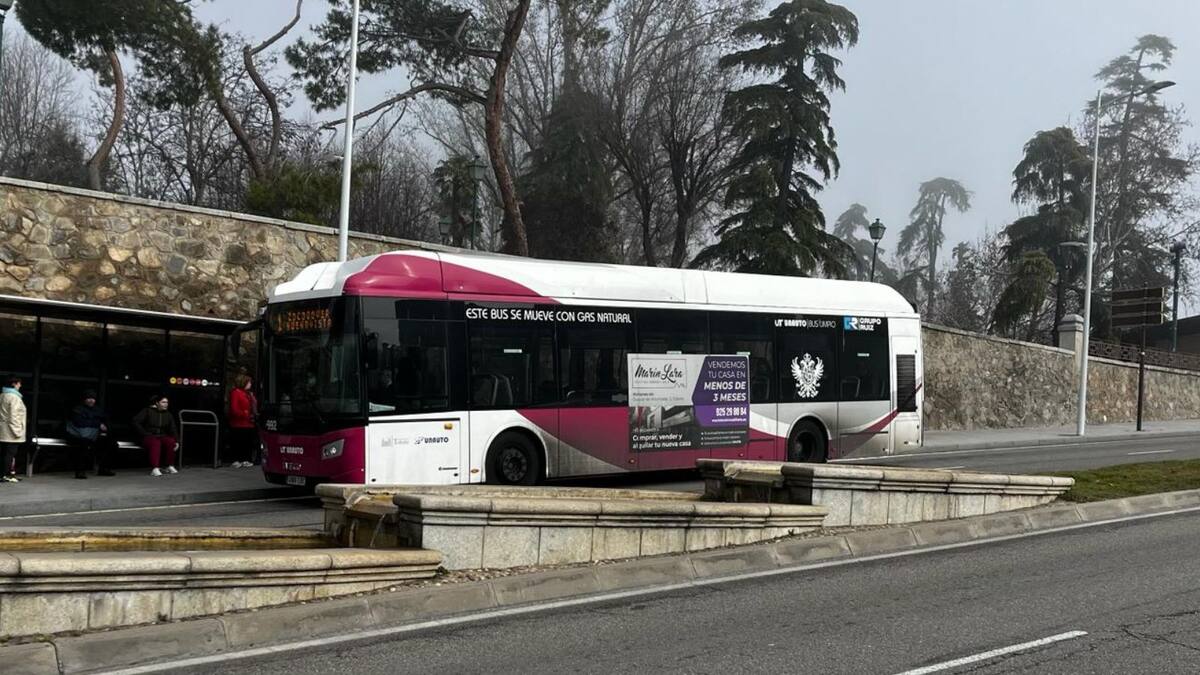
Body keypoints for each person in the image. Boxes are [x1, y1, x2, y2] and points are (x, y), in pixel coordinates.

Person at [65, 390, 117, 479]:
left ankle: (103, 469)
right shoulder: (78, 409)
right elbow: (79, 423)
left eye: (93, 398)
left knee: (111, 444)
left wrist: (105, 427)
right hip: (78, 436)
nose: (91, 400)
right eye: (89, 398)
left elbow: (105, 421)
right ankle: (80, 471)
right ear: (84, 399)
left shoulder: (98, 410)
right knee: (82, 446)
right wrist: (98, 424)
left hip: (94, 435)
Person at [133, 394, 179, 477]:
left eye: (167, 402)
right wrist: (144, 433)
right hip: (148, 437)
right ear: (157, 403)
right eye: (163, 402)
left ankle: (169, 466)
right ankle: (155, 468)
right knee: (156, 443)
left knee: (170, 441)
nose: (166, 404)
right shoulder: (147, 411)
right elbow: (136, 422)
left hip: (161, 436)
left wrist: (177, 441)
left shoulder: (168, 414)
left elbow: (173, 428)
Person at [0, 376, 26, 483]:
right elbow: (13, 416)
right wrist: (18, 431)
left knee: (3, 453)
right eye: (19, 383)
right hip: (11, 432)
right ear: (14, 384)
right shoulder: (14, 397)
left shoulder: (2, 395)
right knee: (10, 454)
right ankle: (7, 475)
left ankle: (3, 474)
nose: (20, 385)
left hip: (2, 430)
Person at [227, 375, 257, 468]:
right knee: (238, 441)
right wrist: (245, 413)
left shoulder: (248, 394)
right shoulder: (236, 392)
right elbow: (234, 409)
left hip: (249, 423)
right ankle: (236, 459)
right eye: (248, 382)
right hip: (238, 423)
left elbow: (254, 404)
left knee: (247, 442)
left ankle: (246, 459)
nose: (250, 384)